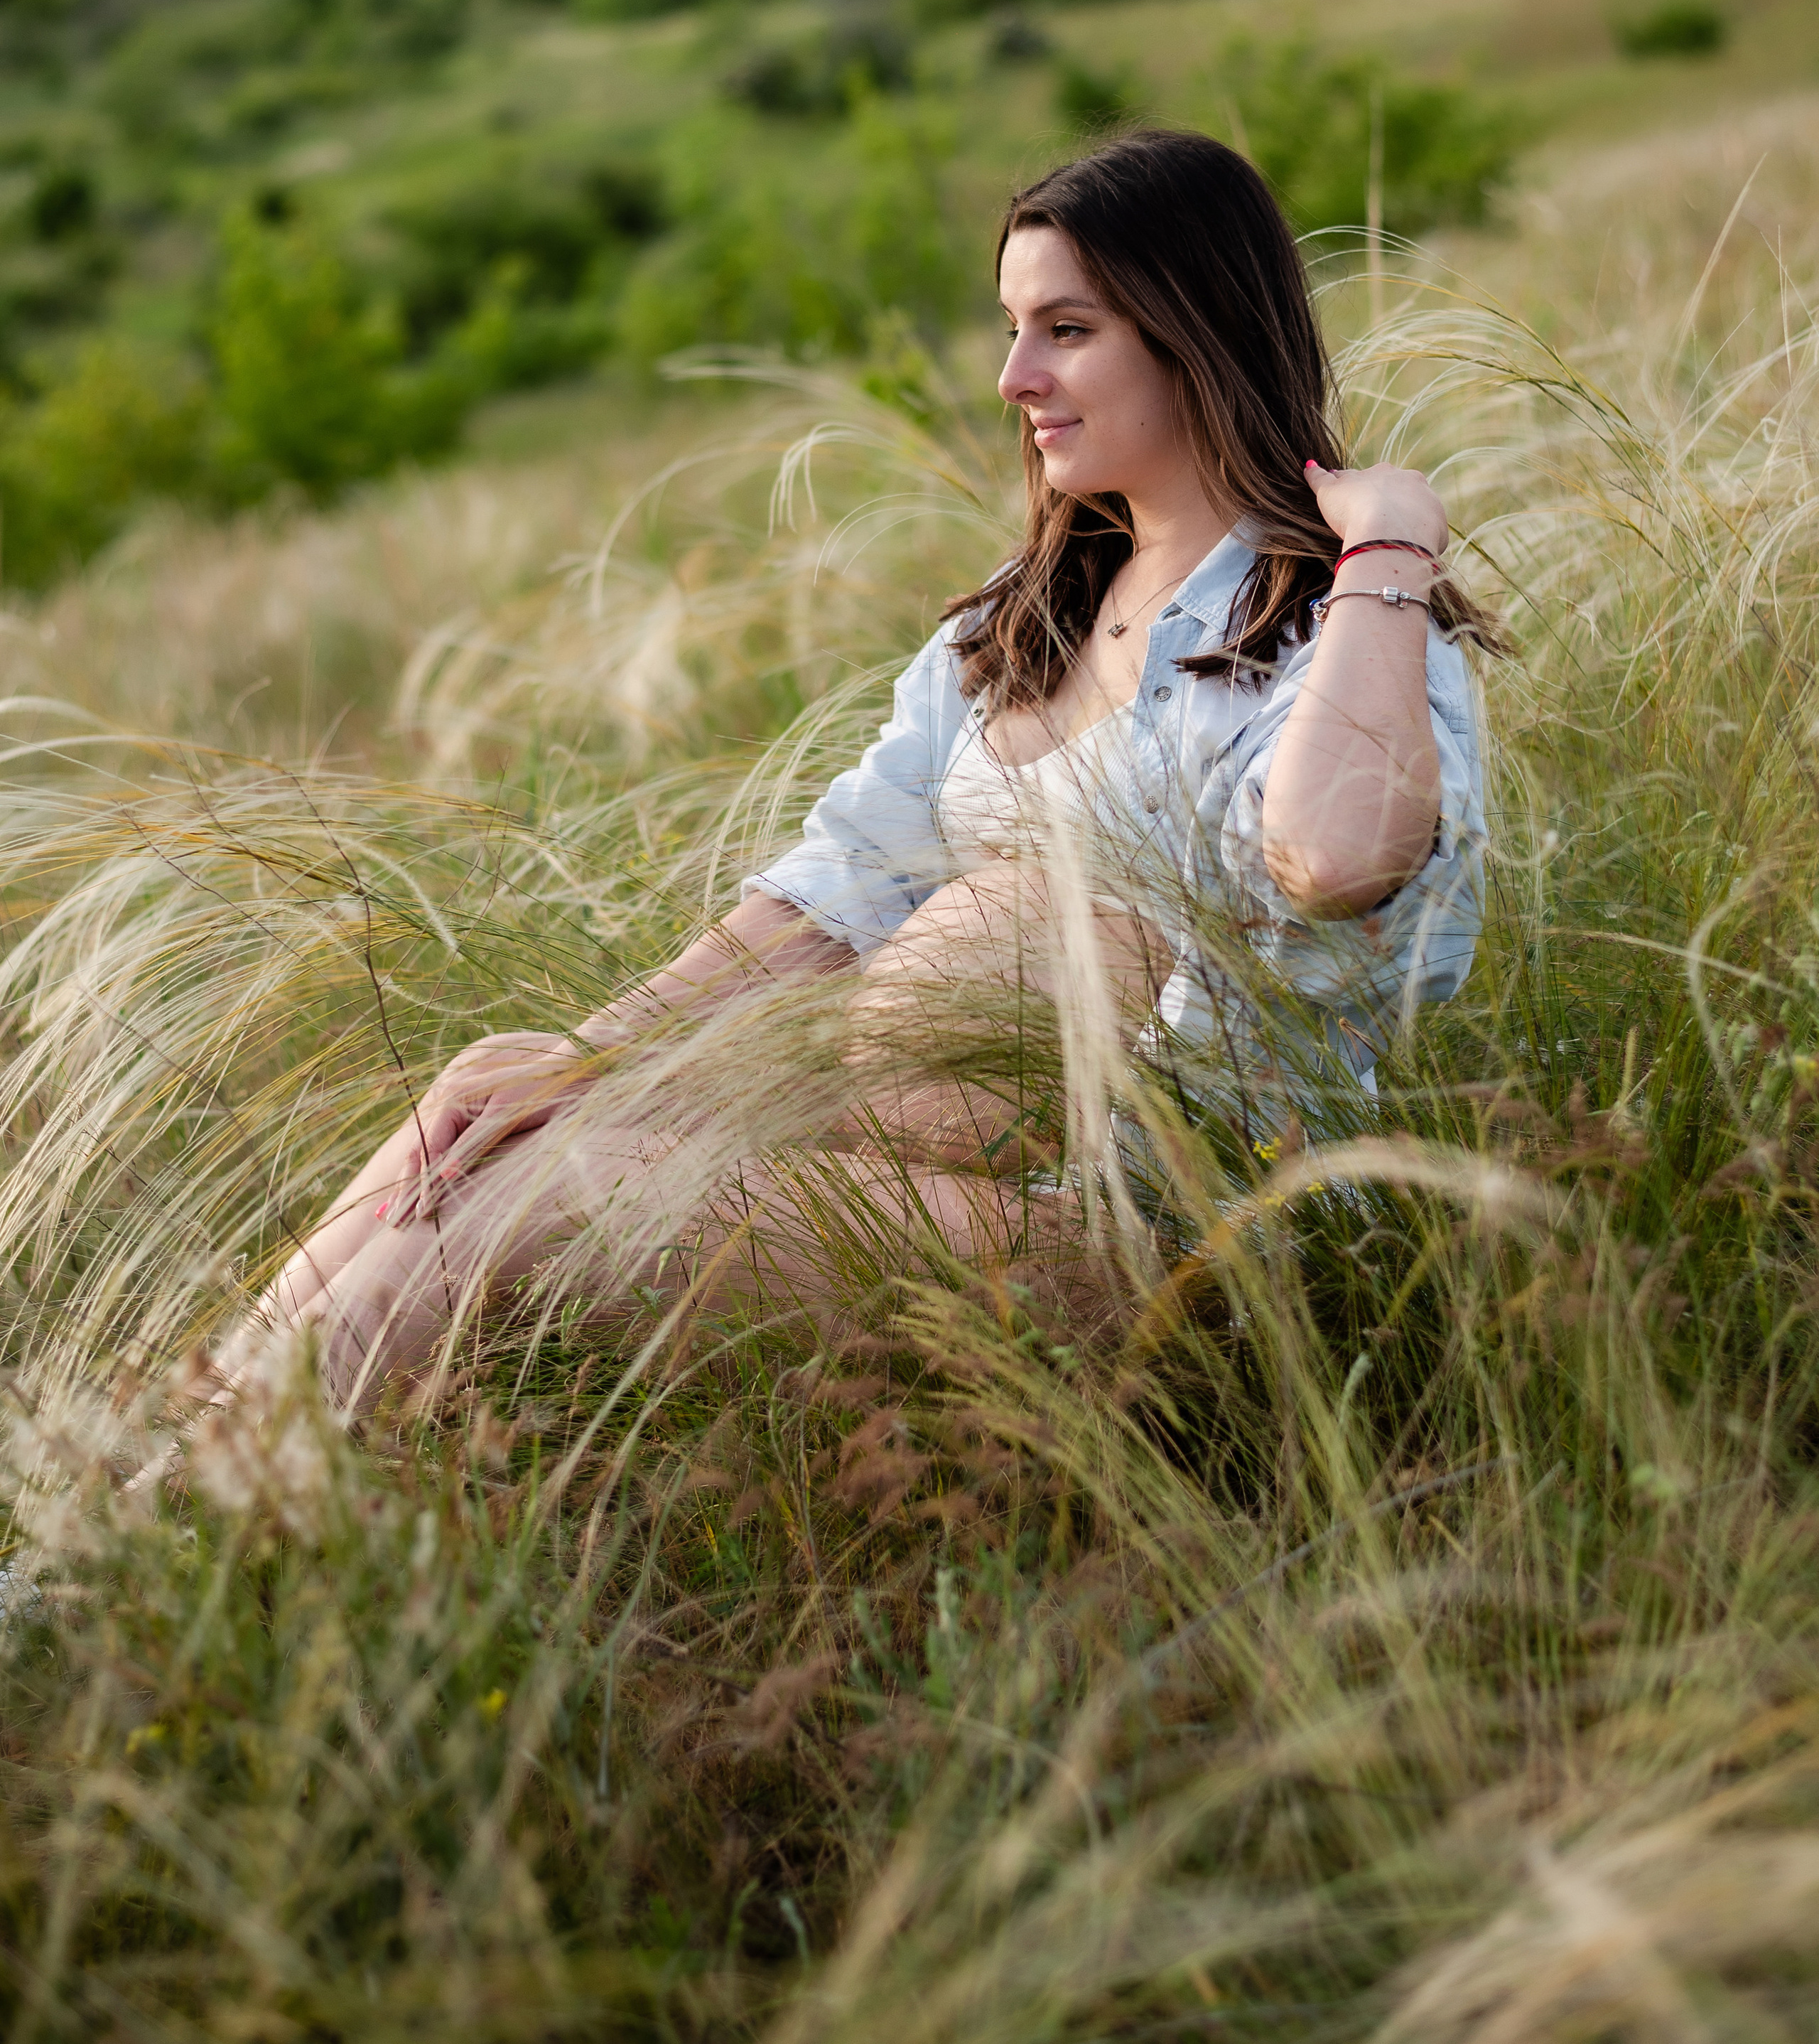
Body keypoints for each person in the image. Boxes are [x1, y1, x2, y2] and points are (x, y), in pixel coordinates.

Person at [233, 129, 1491, 1411]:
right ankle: (150, 1477)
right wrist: (593, 1059)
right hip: (904, 1175)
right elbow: (832, 896)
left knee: (518, 1205)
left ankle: (180, 1516)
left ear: (1195, 327)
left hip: (1152, 1235)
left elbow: (1337, 863)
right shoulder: (1016, 626)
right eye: (1012, 326)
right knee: (490, 1100)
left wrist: (1387, 547)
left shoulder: (1337, 641)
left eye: (1066, 328)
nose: (1013, 375)